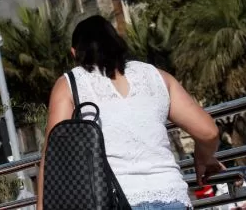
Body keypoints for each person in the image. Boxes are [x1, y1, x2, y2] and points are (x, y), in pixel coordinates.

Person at [41, 15, 221, 210]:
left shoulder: (69, 83)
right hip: (172, 196)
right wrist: (203, 157)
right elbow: (209, 132)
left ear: (74, 52)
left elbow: (53, 157)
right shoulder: (156, 75)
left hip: (115, 201)